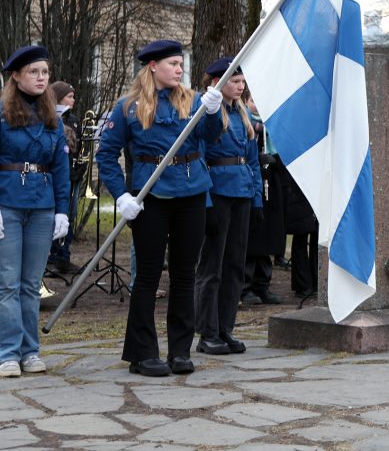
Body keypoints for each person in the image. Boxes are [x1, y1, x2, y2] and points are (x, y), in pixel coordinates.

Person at [95, 39, 223, 377]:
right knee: (148, 276)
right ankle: (142, 353)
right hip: (150, 197)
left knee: (184, 274)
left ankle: (180, 351)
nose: (180, 69)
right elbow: (106, 154)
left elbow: (210, 138)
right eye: (172, 64)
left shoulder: (194, 100)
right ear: (153, 66)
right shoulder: (127, 107)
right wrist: (121, 195)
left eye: (181, 64)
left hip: (192, 192)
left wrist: (212, 112)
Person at [0, 45, 70, 378]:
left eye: (44, 72)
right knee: (8, 284)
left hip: (42, 207)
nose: (41, 78)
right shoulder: (2, 113)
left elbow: (61, 167)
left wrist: (62, 211)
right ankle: (8, 353)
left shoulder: (51, 117)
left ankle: (31, 351)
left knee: (30, 284)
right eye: (34, 72)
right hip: (7, 205)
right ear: (16, 76)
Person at [195, 58, 263, 355]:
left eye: (242, 81)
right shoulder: (206, 112)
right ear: (217, 83)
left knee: (235, 264)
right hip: (217, 190)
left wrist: (258, 198)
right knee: (212, 266)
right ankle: (207, 331)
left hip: (242, 192)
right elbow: (198, 156)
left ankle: (225, 328)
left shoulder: (244, 114)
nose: (241, 86)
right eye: (235, 81)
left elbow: (253, 160)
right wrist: (206, 202)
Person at [241, 93, 283, 306]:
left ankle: (262, 284)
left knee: (268, 235)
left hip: (270, 183)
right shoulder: (245, 122)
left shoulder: (271, 125)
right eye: (253, 101)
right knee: (252, 238)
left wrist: (273, 161)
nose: (257, 106)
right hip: (252, 184)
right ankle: (246, 285)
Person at [47, 81, 83, 274]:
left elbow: (77, 147)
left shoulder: (74, 119)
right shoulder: (52, 117)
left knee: (70, 215)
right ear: (59, 97)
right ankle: (52, 257)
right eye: (69, 96)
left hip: (73, 174)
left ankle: (64, 256)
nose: (73, 99)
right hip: (57, 175)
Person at [285, 173, 319, 298]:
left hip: (317, 179)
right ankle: (303, 283)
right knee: (301, 233)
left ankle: (315, 279)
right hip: (301, 179)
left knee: (318, 236)